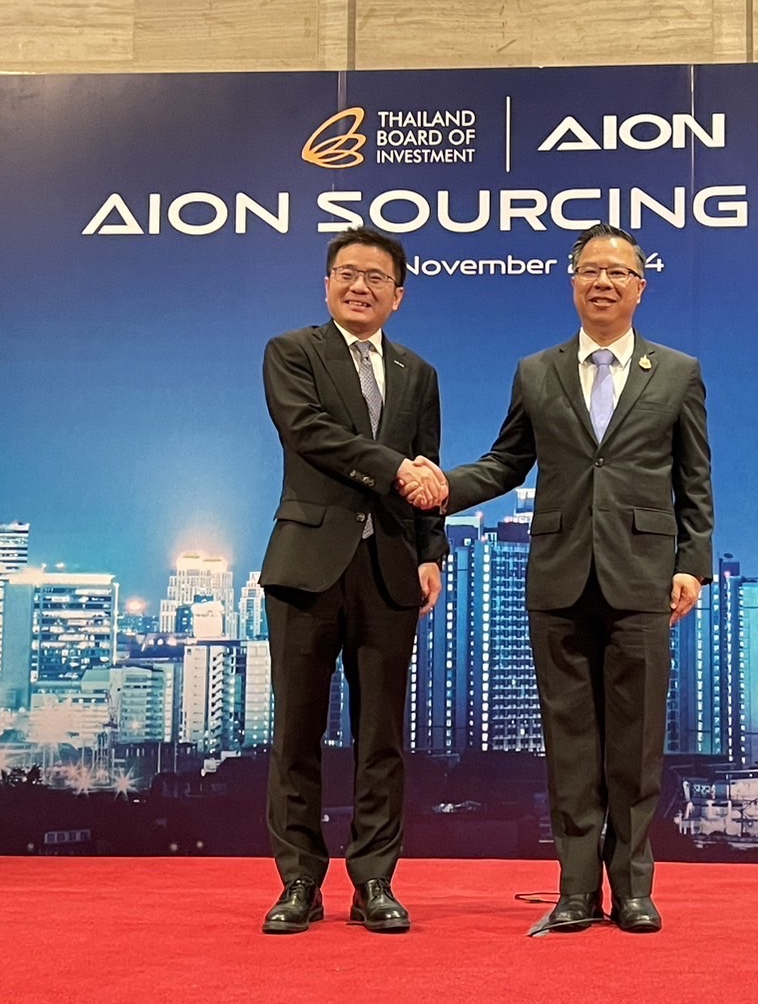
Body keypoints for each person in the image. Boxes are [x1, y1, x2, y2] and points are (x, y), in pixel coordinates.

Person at [402, 222, 713, 934]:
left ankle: (632, 890)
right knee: (569, 742)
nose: (602, 282)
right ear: (572, 282)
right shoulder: (536, 371)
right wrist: (442, 487)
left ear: (640, 287)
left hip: (642, 577)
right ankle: (575, 890)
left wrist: (692, 564)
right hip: (558, 577)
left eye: (617, 272)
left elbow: (694, 480)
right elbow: (506, 462)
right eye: (589, 270)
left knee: (635, 745)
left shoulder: (676, 372)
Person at [259, 228, 446, 935]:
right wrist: (393, 468)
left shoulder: (418, 372)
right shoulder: (292, 352)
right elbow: (306, 431)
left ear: (399, 295)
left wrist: (431, 552)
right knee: (296, 732)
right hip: (306, 566)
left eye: (375, 277)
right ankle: (299, 881)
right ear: (327, 283)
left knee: (382, 736)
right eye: (346, 273)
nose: (359, 286)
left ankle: (374, 880)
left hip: (389, 569)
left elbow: (428, 464)